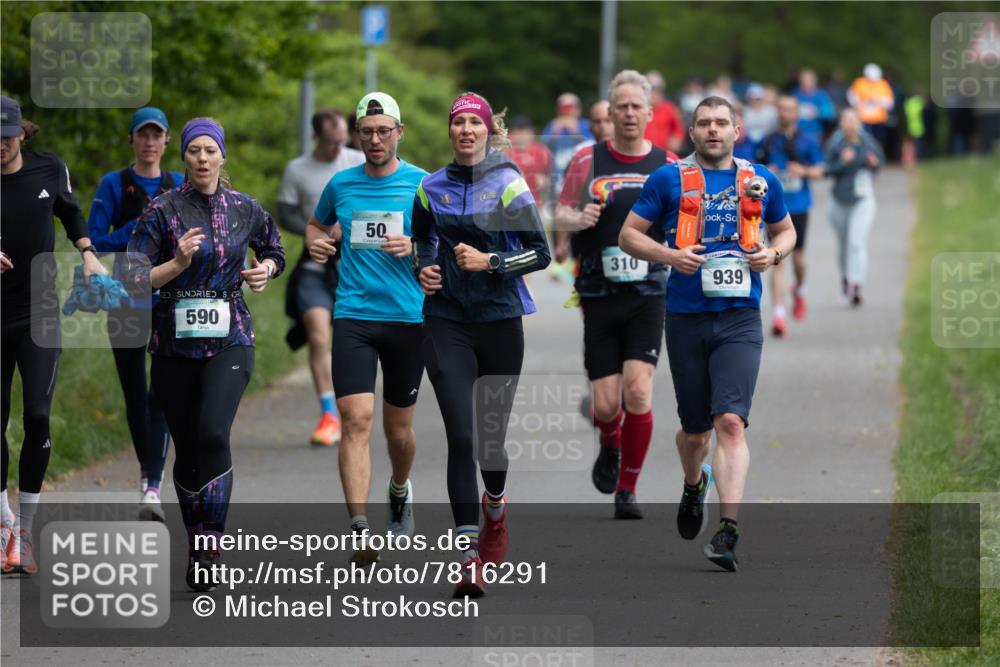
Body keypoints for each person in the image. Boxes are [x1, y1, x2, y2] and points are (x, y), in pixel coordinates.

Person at [619, 96, 796, 572]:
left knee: (730, 423)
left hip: (740, 317)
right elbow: (628, 235)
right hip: (686, 316)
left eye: (722, 123)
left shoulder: (758, 180)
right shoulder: (669, 179)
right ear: (692, 132)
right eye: (704, 124)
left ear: (737, 129)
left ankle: (728, 531)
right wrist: (670, 256)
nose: (713, 130)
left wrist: (772, 257)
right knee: (695, 434)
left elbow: (786, 231)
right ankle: (694, 482)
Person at [126, 117, 285, 591]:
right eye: (194, 150)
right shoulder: (161, 211)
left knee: (214, 431)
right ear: (184, 158)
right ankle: (197, 542)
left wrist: (267, 270)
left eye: (209, 151)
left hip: (231, 336)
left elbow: (274, 249)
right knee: (189, 445)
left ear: (222, 156)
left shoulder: (245, 208)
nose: (201, 158)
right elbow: (133, 278)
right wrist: (175, 263)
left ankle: (212, 538)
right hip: (174, 342)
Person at [412, 93, 550, 597]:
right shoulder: (430, 187)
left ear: (488, 131)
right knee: (461, 437)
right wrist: (422, 268)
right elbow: (422, 239)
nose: (466, 130)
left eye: (475, 122)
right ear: (450, 131)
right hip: (445, 320)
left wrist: (490, 263)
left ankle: (496, 504)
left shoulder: (508, 184)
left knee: (489, 441)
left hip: (498, 321)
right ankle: (468, 554)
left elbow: (542, 254)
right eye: (459, 122)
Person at [304, 93, 426, 564]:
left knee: (399, 433)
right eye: (367, 131)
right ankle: (358, 526)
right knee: (355, 420)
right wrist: (316, 245)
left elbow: (443, 244)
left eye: (384, 130)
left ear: (399, 132)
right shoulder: (341, 184)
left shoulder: (422, 185)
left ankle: (399, 487)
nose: (375, 139)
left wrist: (414, 245)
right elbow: (316, 226)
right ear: (357, 135)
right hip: (353, 314)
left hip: (407, 318)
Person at [554, 70, 676, 518]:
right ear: (609, 111)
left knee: (638, 392)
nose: (627, 113)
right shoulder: (586, 161)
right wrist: (575, 217)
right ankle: (609, 440)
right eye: (619, 106)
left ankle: (628, 488)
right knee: (606, 404)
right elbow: (558, 214)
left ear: (649, 112)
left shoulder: (669, 164)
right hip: (599, 292)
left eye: (635, 106)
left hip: (649, 291)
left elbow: (688, 221)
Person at [1, 96, 108, 574]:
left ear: (22, 133)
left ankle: (25, 530)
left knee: (39, 416)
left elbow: (71, 214)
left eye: (7, 138)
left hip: (40, 314)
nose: (1, 147)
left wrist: (87, 253)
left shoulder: (49, 169)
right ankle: (4, 524)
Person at [88, 107, 184, 519]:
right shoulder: (114, 184)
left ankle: (152, 484)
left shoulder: (177, 184)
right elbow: (94, 241)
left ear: (166, 142)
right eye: (142, 135)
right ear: (132, 140)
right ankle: (148, 471)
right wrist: (141, 225)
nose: (149, 142)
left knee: (159, 392)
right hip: (125, 296)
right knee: (133, 391)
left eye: (156, 135)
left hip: (168, 299)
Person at [278, 108, 364, 447]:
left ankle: (352, 410)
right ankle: (329, 414)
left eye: (342, 140)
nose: (337, 149)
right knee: (317, 337)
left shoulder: (358, 161)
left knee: (348, 342)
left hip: (354, 268)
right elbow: (285, 212)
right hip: (316, 265)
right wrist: (315, 232)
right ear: (316, 138)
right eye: (330, 143)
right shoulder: (297, 169)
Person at [756, 95, 824, 336]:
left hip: (799, 205)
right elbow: (753, 168)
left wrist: (803, 170)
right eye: (781, 109)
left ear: (796, 113)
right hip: (774, 208)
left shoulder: (807, 141)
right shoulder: (767, 140)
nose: (785, 114)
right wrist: (766, 172)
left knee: (799, 259)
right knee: (778, 259)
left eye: (790, 110)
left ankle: (799, 289)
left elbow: (820, 170)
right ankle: (779, 315)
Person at [824, 107, 883, 308]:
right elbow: (827, 170)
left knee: (856, 243)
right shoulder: (835, 144)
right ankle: (845, 280)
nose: (850, 123)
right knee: (843, 243)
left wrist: (873, 164)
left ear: (860, 123)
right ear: (841, 123)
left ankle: (856, 285)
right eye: (846, 120)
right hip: (839, 200)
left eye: (853, 120)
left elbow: (879, 165)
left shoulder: (869, 143)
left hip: (863, 199)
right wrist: (843, 161)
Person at [541, 92, 594, 198]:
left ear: (578, 109)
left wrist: (575, 132)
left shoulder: (586, 125)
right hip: (557, 179)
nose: (566, 111)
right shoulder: (553, 125)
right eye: (562, 107)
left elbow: (592, 146)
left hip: (580, 178)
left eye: (569, 107)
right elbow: (543, 148)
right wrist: (554, 134)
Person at [847, 63, 894, 150]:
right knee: (864, 139)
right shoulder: (859, 83)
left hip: (879, 119)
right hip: (863, 119)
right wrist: (858, 105)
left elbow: (890, 103)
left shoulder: (883, 85)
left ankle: (876, 156)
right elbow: (851, 97)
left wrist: (878, 101)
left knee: (878, 140)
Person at [645, 70, 685, 154]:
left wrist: (677, 138)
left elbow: (679, 128)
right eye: (652, 88)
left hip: (664, 154)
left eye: (658, 88)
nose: (655, 92)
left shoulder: (669, 108)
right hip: (643, 154)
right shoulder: (639, 109)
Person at [791, 68, 836, 143]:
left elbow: (830, 113)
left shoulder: (821, 95)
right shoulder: (795, 95)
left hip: (815, 132)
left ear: (814, 81)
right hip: (797, 132)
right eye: (804, 79)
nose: (806, 82)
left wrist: (817, 112)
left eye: (809, 79)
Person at [741, 83, 777, 152]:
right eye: (752, 99)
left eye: (757, 99)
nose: (754, 101)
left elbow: (775, 128)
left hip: (767, 142)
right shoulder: (744, 111)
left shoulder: (771, 111)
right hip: (748, 143)